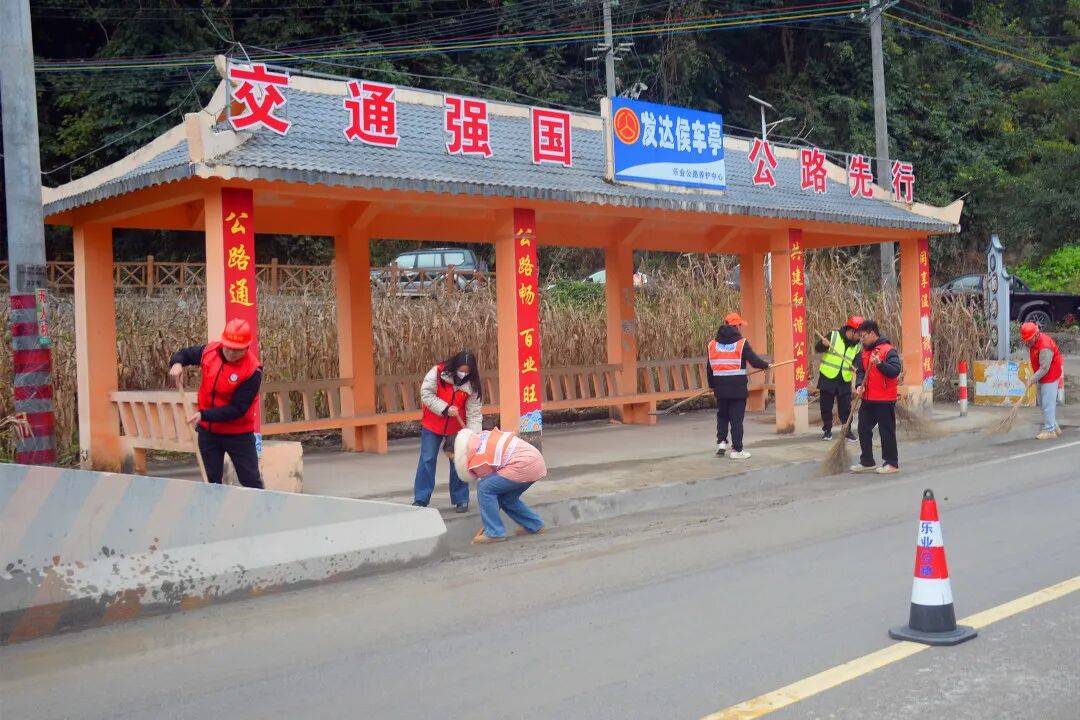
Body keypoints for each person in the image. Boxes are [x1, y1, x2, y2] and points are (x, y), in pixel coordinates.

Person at [168, 318, 264, 488]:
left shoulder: (252, 370)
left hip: (238, 434)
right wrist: (177, 363)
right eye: (228, 347)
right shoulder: (209, 351)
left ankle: (263, 505)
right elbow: (185, 354)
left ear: (246, 347)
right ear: (223, 342)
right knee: (211, 481)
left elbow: (237, 409)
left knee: (250, 480)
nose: (231, 353)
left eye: (237, 350)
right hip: (208, 433)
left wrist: (204, 415)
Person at [415, 350, 483, 511]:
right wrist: (444, 409)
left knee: (459, 461)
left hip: (457, 428)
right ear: (454, 366)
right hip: (433, 423)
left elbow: (474, 412)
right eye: (461, 370)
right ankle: (421, 498)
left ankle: (461, 499)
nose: (463, 374)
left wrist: (472, 435)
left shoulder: (472, 384)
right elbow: (426, 393)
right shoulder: (438, 372)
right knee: (427, 459)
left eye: (467, 371)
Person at [453, 427, 547, 544]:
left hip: (522, 465)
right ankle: (535, 525)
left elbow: (487, 485)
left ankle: (494, 533)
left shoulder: (477, 456)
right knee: (507, 499)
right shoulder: (483, 437)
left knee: (484, 488)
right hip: (536, 462)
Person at [706, 312, 769, 460]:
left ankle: (721, 443)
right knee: (736, 419)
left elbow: (709, 368)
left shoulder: (712, 344)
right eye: (740, 325)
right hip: (737, 388)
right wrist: (766, 365)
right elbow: (754, 361)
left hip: (720, 388)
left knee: (722, 415)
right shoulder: (741, 343)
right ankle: (737, 450)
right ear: (736, 326)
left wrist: (712, 386)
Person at [851, 319, 902, 474]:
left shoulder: (888, 350)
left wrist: (880, 364)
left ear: (872, 333)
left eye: (863, 336)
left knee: (886, 431)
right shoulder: (864, 352)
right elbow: (861, 371)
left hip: (884, 399)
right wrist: (859, 384)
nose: (862, 340)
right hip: (868, 398)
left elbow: (895, 371)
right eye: (860, 337)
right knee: (863, 428)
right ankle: (867, 461)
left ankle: (891, 463)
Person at [814, 316, 863, 441]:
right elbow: (817, 348)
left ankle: (847, 431)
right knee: (826, 406)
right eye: (859, 334)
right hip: (828, 377)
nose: (860, 337)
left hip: (844, 380)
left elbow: (857, 360)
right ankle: (827, 431)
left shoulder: (857, 346)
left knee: (846, 408)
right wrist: (823, 345)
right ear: (852, 331)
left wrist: (855, 366)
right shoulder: (834, 336)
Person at [1021, 321, 1063, 440]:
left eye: (1029, 340)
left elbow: (1045, 367)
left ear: (1036, 335)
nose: (1027, 343)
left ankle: (1050, 430)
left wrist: (1032, 379)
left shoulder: (1044, 346)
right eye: (1025, 340)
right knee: (1042, 402)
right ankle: (1054, 426)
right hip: (1042, 376)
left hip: (1050, 376)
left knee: (1047, 404)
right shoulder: (1034, 342)